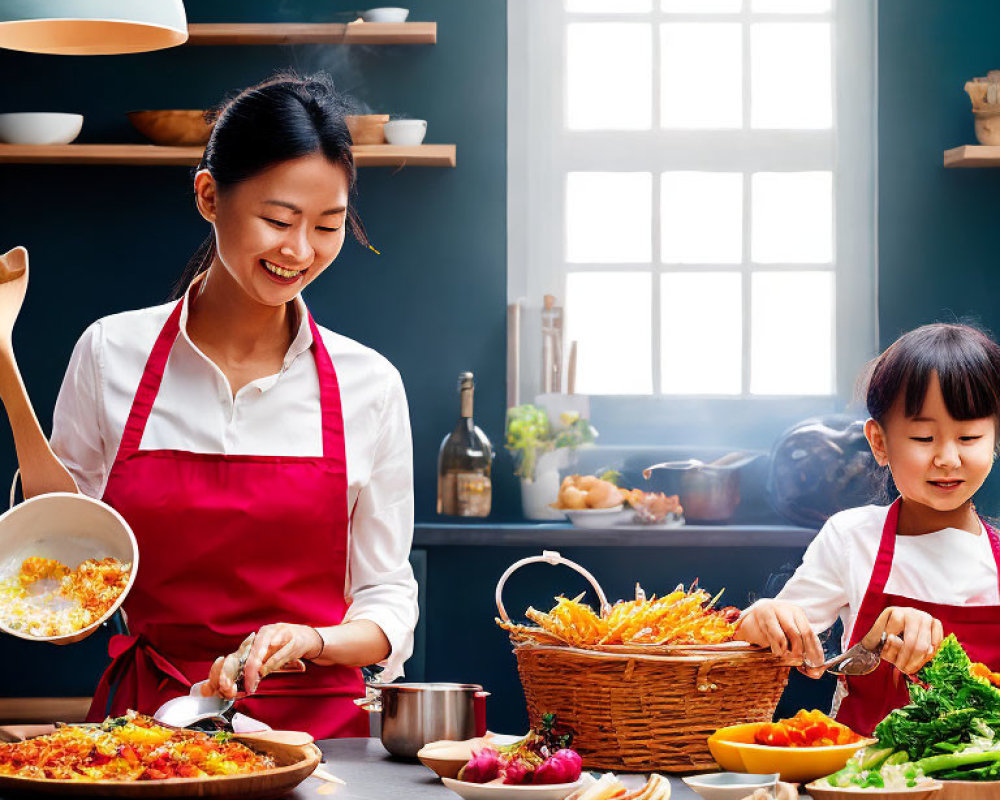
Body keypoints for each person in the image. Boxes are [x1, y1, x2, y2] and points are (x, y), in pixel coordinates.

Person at [0, 73, 418, 739]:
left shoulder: (370, 384)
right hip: (150, 729)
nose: (300, 250)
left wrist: (311, 639)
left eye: (328, 225)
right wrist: (52, 607)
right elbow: (58, 571)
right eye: (278, 220)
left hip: (319, 744)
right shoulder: (111, 353)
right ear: (208, 196)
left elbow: (387, 600)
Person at [739, 323, 1000, 736]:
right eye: (923, 437)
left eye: (969, 436)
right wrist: (764, 615)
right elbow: (759, 641)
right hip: (864, 777)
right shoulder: (852, 537)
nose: (947, 458)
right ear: (879, 442)